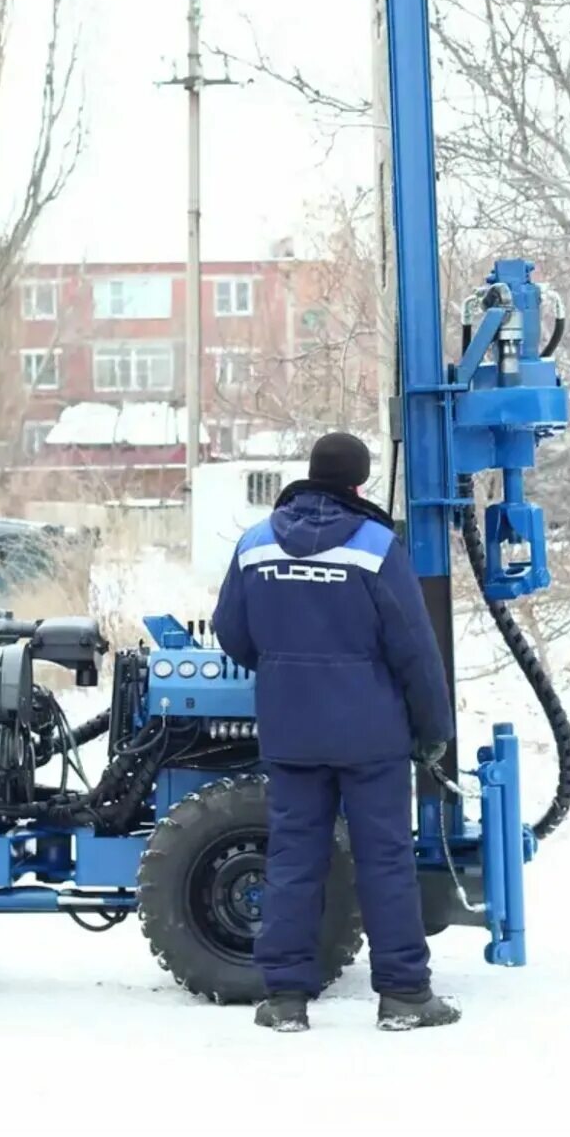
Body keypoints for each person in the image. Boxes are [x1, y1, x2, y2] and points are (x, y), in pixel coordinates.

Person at [212, 431, 461, 1033]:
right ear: (358, 484)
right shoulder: (376, 547)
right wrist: (433, 730)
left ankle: (286, 1000)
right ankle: (403, 995)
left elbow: (231, 632)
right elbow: (415, 650)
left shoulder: (255, 544)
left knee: (294, 860)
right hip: (371, 735)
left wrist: (282, 667)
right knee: (384, 861)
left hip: (291, 732)